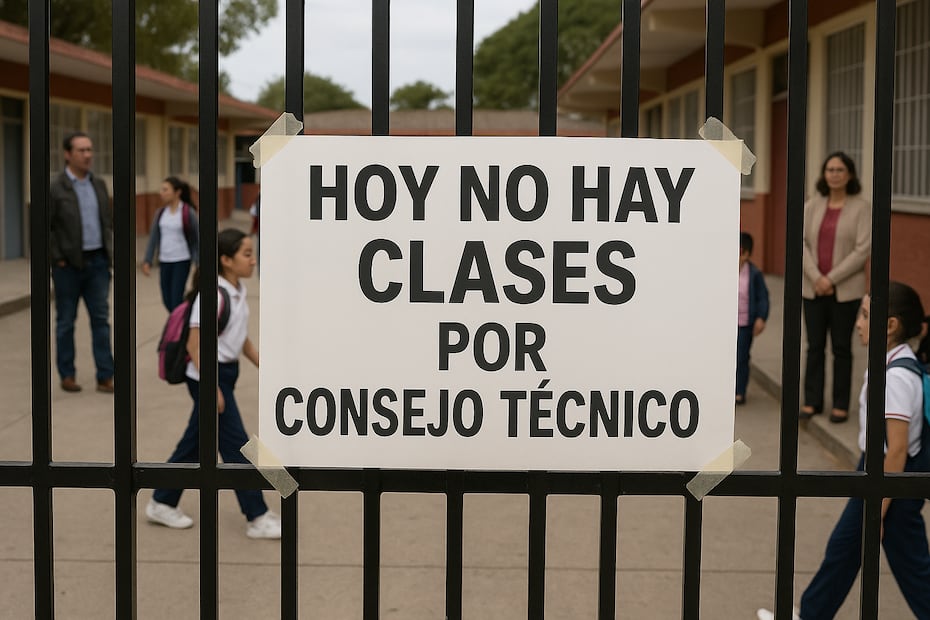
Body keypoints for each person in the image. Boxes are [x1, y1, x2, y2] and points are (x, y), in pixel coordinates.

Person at [757, 282, 930, 620]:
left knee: (914, 574)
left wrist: (876, 510)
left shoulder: (895, 378)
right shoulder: (898, 362)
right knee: (843, 552)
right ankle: (810, 615)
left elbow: (895, 451)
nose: (858, 322)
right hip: (879, 475)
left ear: (891, 325)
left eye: (865, 315)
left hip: (888, 483)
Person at [146, 229, 281, 539]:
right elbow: (195, 346)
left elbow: (238, 337)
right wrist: (212, 388)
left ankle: (161, 500)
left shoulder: (236, 290)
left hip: (225, 375)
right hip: (208, 376)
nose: (253, 259)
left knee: (196, 442)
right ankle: (258, 515)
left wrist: (265, 365)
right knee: (236, 443)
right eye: (246, 254)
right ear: (226, 260)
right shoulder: (212, 295)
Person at [800, 152, 871, 423]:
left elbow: (862, 248)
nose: (834, 174)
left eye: (840, 169)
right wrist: (816, 276)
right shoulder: (812, 205)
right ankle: (812, 401)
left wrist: (831, 279)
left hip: (845, 291)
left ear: (850, 174)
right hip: (813, 288)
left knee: (841, 348)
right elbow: (801, 241)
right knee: (814, 346)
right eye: (830, 169)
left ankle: (840, 404)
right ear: (824, 174)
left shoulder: (862, 208)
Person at [49, 131, 115, 393]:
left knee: (101, 320)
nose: (88, 155)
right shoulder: (56, 188)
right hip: (68, 267)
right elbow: (46, 228)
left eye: (90, 149)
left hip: (98, 263)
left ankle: (105, 375)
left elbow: (107, 221)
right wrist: (58, 258)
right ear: (67, 154)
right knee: (66, 321)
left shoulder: (98, 184)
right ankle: (67, 374)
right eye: (81, 150)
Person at [142, 177, 200, 311]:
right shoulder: (161, 213)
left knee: (175, 299)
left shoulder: (187, 212)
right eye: (161, 190)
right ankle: (183, 318)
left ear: (177, 192)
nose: (162, 193)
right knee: (166, 299)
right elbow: (153, 238)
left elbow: (197, 238)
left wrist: (198, 262)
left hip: (182, 260)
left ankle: (180, 328)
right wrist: (147, 260)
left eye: (165, 190)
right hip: (164, 260)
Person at [736, 232, 769, 405]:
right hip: (728, 324)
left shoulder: (754, 274)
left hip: (744, 323)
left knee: (741, 357)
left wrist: (761, 318)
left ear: (747, 254)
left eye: (740, 252)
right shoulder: (724, 271)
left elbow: (763, 297)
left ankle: (739, 391)